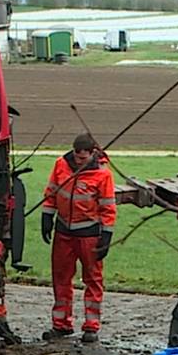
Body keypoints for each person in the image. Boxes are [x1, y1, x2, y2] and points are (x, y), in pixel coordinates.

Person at [40, 133, 116, 343]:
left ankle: (91, 326)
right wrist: (47, 215)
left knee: (92, 280)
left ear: (93, 154)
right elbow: (51, 193)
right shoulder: (61, 165)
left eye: (83, 158)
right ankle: (61, 324)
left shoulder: (103, 175)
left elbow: (108, 207)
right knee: (61, 278)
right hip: (63, 231)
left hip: (89, 234)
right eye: (76, 156)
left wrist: (107, 234)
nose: (78, 162)